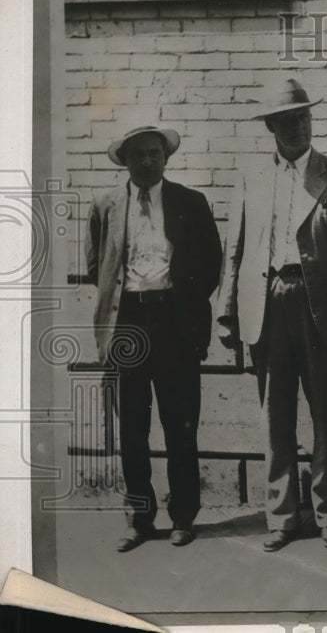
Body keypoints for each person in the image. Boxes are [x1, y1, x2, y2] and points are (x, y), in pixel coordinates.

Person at [216, 79, 327, 551]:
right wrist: (227, 315)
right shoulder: (251, 177)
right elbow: (235, 248)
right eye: (289, 119)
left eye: (305, 117)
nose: (299, 126)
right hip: (265, 304)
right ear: (272, 128)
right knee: (274, 414)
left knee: (326, 412)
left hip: (316, 306)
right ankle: (282, 515)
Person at [86, 124, 221, 551]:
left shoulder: (190, 202)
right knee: (132, 427)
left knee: (180, 425)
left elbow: (210, 266)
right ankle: (139, 518)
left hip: (175, 324)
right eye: (138, 154)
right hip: (127, 323)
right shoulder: (106, 204)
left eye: (154, 153)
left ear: (166, 157)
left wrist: (187, 313)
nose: (147, 161)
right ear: (124, 160)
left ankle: (183, 515)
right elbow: (97, 266)